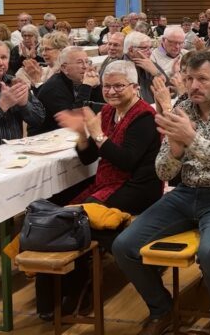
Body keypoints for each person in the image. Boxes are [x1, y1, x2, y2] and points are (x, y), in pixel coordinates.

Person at [112, 50, 210, 335]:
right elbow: (163, 173)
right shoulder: (183, 107)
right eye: (189, 78)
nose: (193, 86)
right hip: (187, 193)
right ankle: (162, 310)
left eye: (202, 79)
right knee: (124, 246)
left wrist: (191, 139)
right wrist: (176, 152)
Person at [43, 60, 163, 321]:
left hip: (139, 187)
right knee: (63, 215)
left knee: (74, 220)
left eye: (119, 86)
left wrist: (98, 136)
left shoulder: (144, 117)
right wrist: (83, 137)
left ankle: (84, 284)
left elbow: (127, 160)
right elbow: (88, 159)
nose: (111, 91)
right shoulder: (108, 114)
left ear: (134, 87)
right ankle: (72, 286)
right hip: (109, 183)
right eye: (107, 86)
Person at [31, 46, 102, 135]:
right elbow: (75, 119)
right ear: (64, 68)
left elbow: (100, 110)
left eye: (87, 62)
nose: (85, 66)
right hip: (45, 140)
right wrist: (86, 86)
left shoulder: (77, 80)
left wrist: (96, 87)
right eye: (79, 62)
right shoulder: (54, 88)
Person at [124, 31, 168, 105]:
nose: (150, 52)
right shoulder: (119, 68)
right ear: (131, 50)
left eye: (150, 48)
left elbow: (170, 90)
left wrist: (156, 72)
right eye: (144, 48)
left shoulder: (149, 63)